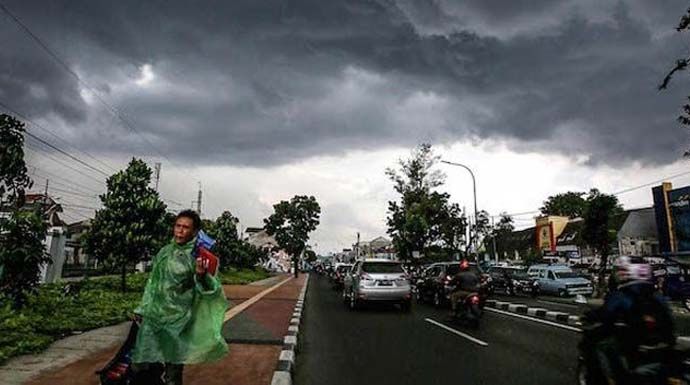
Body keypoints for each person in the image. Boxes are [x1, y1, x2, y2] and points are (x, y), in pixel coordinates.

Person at [131, 210, 229, 385]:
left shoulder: (198, 257)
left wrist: (200, 275)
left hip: (179, 322)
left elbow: (211, 289)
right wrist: (142, 308)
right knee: (140, 362)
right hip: (153, 317)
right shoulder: (164, 253)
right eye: (178, 226)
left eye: (185, 227)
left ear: (194, 232)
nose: (180, 231)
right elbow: (152, 283)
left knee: (173, 373)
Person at [583, 256, 675, 384]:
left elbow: (606, 313)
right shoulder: (656, 294)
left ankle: (618, 379)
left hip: (636, 342)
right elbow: (669, 316)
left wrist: (592, 316)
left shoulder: (622, 294)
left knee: (604, 346)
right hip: (665, 341)